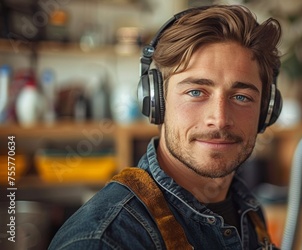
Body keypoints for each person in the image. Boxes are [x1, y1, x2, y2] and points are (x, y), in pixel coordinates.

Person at [48, 4, 282, 250]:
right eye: (195, 92)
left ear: (266, 110)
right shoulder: (104, 241)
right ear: (156, 101)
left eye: (242, 97)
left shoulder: (248, 209)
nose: (220, 119)